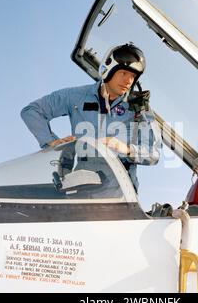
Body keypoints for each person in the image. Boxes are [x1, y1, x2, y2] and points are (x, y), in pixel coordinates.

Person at [21, 43, 161, 192]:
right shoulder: (76, 97)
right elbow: (31, 111)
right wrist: (52, 143)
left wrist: (125, 149)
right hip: (82, 188)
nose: (128, 81)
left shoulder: (139, 110)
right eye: (124, 73)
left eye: (133, 76)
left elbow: (154, 154)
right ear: (109, 68)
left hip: (120, 193)